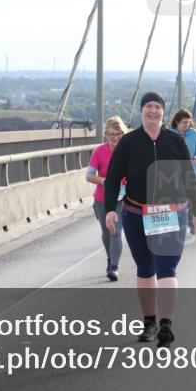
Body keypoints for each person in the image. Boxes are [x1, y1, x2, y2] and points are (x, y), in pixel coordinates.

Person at [104, 92, 196, 347]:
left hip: (170, 212)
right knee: (146, 268)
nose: (153, 111)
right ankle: (150, 323)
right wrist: (110, 210)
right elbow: (114, 177)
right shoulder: (129, 142)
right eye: (149, 106)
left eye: (157, 107)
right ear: (142, 111)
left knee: (166, 267)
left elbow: (188, 177)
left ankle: (166, 324)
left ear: (163, 112)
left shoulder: (174, 140)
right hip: (137, 212)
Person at [87, 116, 128, 281]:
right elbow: (89, 175)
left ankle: (114, 267)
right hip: (102, 198)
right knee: (106, 232)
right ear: (106, 135)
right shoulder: (99, 151)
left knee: (116, 231)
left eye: (118, 133)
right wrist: (105, 181)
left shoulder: (128, 151)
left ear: (123, 134)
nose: (115, 137)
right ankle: (110, 258)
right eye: (111, 134)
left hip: (123, 198)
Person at [171, 109, 196, 234]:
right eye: (184, 122)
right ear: (177, 122)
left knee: (191, 197)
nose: (187, 125)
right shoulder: (169, 134)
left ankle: (191, 222)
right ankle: (178, 221)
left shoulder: (194, 133)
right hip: (174, 173)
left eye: (188, 122)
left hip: (192, 170)